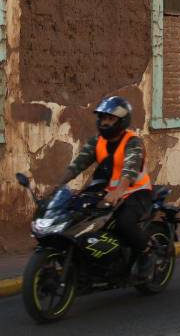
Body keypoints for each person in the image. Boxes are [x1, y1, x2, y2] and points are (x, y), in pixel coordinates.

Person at [55, 96, 154, 279]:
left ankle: (146, 253)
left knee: (124, 222)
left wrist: (119, 191)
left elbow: (129, 171)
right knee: (79, 218)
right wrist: (57, 186)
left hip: (135, 193)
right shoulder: (97, 142)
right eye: (102, 118)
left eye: (110, 118)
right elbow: (78, 165)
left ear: (122, 120)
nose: (105, 122)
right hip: (105, 193)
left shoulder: (133, 142)